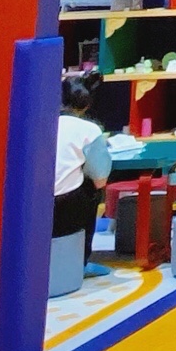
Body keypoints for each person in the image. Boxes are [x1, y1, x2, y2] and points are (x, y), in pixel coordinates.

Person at [53, 75, 112, 279]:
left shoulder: (40, 123)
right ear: (86, 104)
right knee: (92, 189)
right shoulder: (89, 129)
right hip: (66, 207)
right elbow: (100, 179)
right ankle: (81, 262)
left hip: (33, 203)